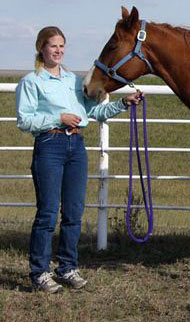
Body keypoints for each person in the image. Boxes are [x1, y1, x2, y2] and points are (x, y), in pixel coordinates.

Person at [15, 26, 142, 293]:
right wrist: (57, 118)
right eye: (53, 46)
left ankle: (67, 267)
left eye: (62, 45)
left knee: (73, 212)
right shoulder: (31, 81)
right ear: (41, 48)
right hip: (50, 144)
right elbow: (24, 120)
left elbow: (95, 111)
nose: (58, 50)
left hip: (76, 146)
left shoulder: (74, 80)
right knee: (48, 213)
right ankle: (39, 271)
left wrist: (123, 103)